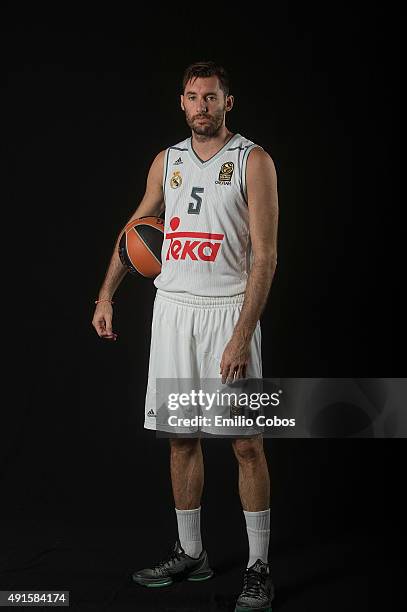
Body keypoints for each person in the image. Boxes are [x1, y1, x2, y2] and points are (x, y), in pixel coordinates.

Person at [92, 60, 278, 612]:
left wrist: (242, 334)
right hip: (172, 311)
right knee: (181, 438)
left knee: (246, 443)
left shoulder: (253, 160)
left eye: (211, 97)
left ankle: (258, 566)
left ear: (228, 102)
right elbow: (134, 230)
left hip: (228, 312)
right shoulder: (166, 162)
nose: (201, 105)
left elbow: (265, 257)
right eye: (193, 97)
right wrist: (106, 293)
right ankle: (192, 553)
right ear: (182, 102)